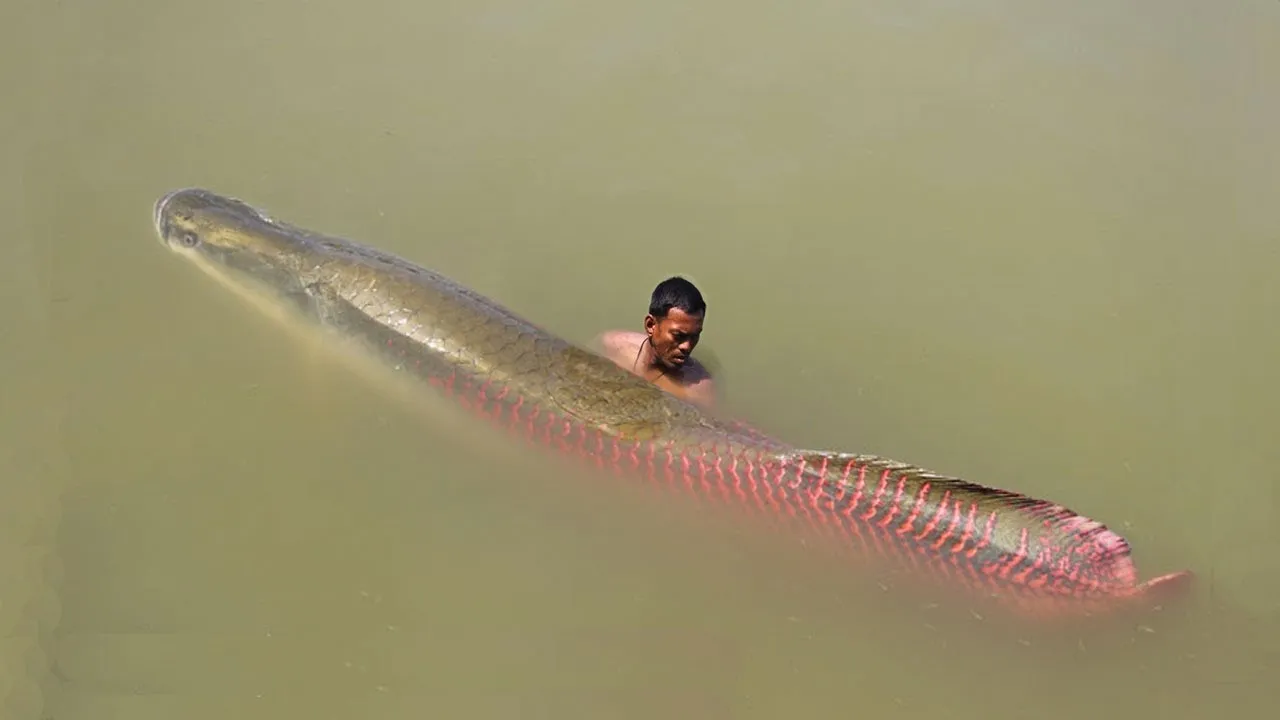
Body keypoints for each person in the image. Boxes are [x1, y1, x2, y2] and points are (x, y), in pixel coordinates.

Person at [596, 276, 717, 409]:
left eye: (694, 336)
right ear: (650, 325)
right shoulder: (612, 346)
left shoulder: (698, 390)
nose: (687, 346)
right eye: (678, 336)